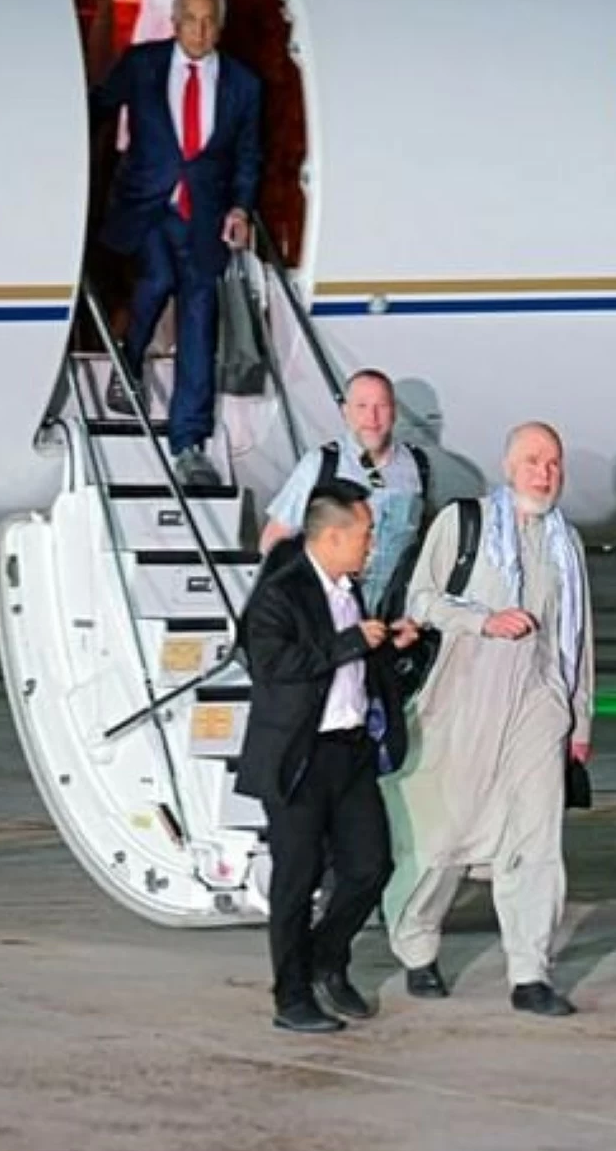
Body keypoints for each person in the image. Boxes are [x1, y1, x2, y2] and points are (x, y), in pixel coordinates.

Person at [381, 422, 594, 1018]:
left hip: (539, 701)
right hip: (463, 696)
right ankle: (417, 945)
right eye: (532, 461)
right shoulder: (464, 522)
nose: (544, 473)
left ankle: (530, 972)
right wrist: (484, 620)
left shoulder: (567, 541)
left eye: (553, 463)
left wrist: (579, 721)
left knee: (536, 840)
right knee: (442, 837)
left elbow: (579, 636)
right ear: (508, 466)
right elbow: (422, 600)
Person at [233, 480, 416, 1033]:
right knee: (298, 876)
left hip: (349, 751)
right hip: (299, 756)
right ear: (333, 537)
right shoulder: (281, 591)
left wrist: (389, 646)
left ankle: (325, 959)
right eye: (365, 534)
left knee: (370, 866)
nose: (372, 544)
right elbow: (272, 664)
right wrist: (352, 642)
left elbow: (354, 664)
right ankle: (291, 997)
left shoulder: (348, 588)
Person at [88, 0, 263, 486]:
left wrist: (240, 208)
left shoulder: (243, 85)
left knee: (199, 322)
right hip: (148, 205)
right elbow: (98, 106)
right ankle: (130, 358)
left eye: (209, 22)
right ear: (175, 21)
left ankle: (188, 443)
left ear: (220, 27)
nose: (200, 31)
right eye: (191, 20)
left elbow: (248, 155)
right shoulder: (142, 65)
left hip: (204, 217)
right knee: (157, 278)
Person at [258, 368, 433, 617]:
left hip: (394, 618)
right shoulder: (322, 463)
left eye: (381, 406)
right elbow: (274, 542)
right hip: (332, 619)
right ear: (345, 412)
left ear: (394, 411)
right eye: (361, 406)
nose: (372, 417)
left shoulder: (418, 465)